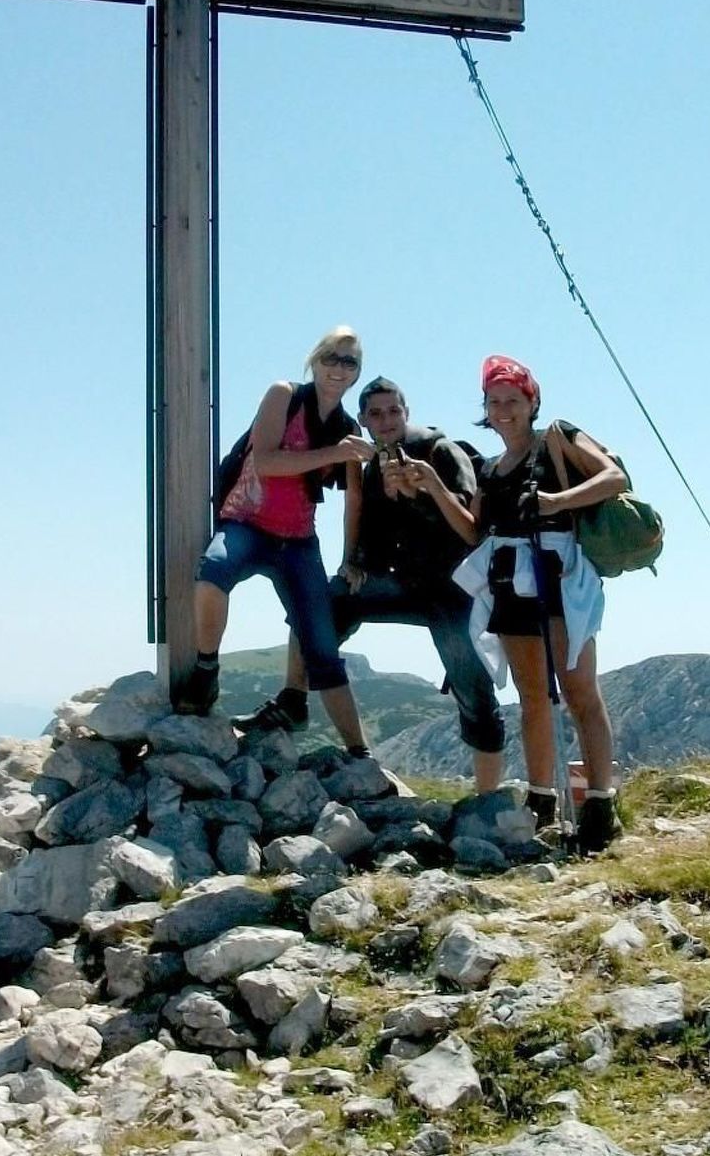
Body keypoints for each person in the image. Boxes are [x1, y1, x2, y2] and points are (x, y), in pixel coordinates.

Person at [241, 375, 510, 792]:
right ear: (363, 421)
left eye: (393, 411)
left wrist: (426, 491)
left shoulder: (440, 451)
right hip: (400, 584)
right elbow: (371, 533)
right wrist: (354, 565)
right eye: (375, 413)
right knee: (317, 605)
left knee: (472, 688)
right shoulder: (371, 470)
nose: (386, 420)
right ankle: (295, 699)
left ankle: (487, 801)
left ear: (407, 413)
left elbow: (471, 530)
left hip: (452, 591)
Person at [413, 354, 627, 854]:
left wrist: (554, 503)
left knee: (579, 693)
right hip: (512, 581)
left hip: (557, 579)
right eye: (495, 401)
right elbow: (474, 530)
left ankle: (600, 804)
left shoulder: (558, 437)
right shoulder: (491, 469)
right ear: (485, 409)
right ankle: (543, 801)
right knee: (534, 696)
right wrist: (435, 487)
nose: (504, 409)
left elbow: (612, 478)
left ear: (532, 402)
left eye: (513, 400)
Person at [173, 327, 376, 755]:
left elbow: (353, 501)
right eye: (332, 358)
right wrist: (335, 454)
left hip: (298, 540)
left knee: (322, 645)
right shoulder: (284, 396)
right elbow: (265, 461)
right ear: (315, 360)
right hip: (247, 522)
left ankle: (360, 754)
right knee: (214, 571)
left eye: (349, 362)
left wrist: (349, 558)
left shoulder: (347, 428)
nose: (339, 369)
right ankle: (207, 669)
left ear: (357, 372)